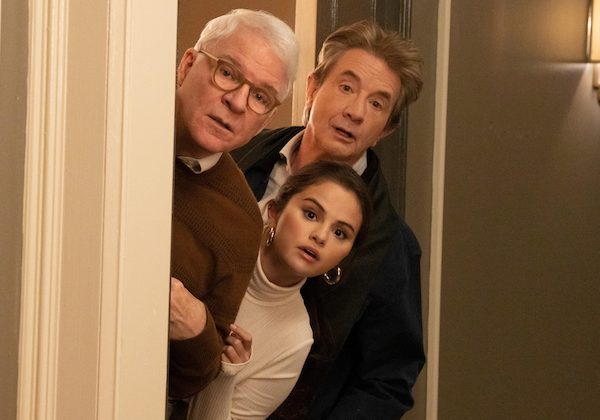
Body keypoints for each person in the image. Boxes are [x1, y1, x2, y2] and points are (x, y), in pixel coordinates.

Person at [232, 20, 425, 419]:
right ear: (313, 87)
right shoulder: (239, 154)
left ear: (387, 129)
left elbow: (386, 381)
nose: (355, 111)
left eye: (377, 104)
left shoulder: (389, 244)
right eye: (346, 87)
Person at [167, 8, 299, 417]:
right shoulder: (112, 114)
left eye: (260, 97)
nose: (238, 102)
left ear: (266, 119)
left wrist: (196, 329)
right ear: (188, 65)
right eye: (227, 72)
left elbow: (194, 378)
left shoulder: (242, 223)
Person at [186, 161, 372, 420]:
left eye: (340, 233)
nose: (321, 236)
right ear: (274, 211)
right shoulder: (223, 237)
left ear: (346, 255)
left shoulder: (295, 340)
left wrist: (225, 375)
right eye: (311, 214)